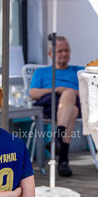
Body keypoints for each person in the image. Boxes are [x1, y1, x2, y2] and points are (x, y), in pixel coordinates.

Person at [29, 35, 84, 177]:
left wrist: (68, 91)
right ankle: (63, 160)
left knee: (70, 97)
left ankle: (57, 139)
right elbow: (33, 93)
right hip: (50, 105)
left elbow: (89, 93)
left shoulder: (79, 71)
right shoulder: (41, 72)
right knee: (72, 110)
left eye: (66, 50)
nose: (64, 54)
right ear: (50, 54)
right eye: (60, 51)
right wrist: (56, 89)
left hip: (75, 101)